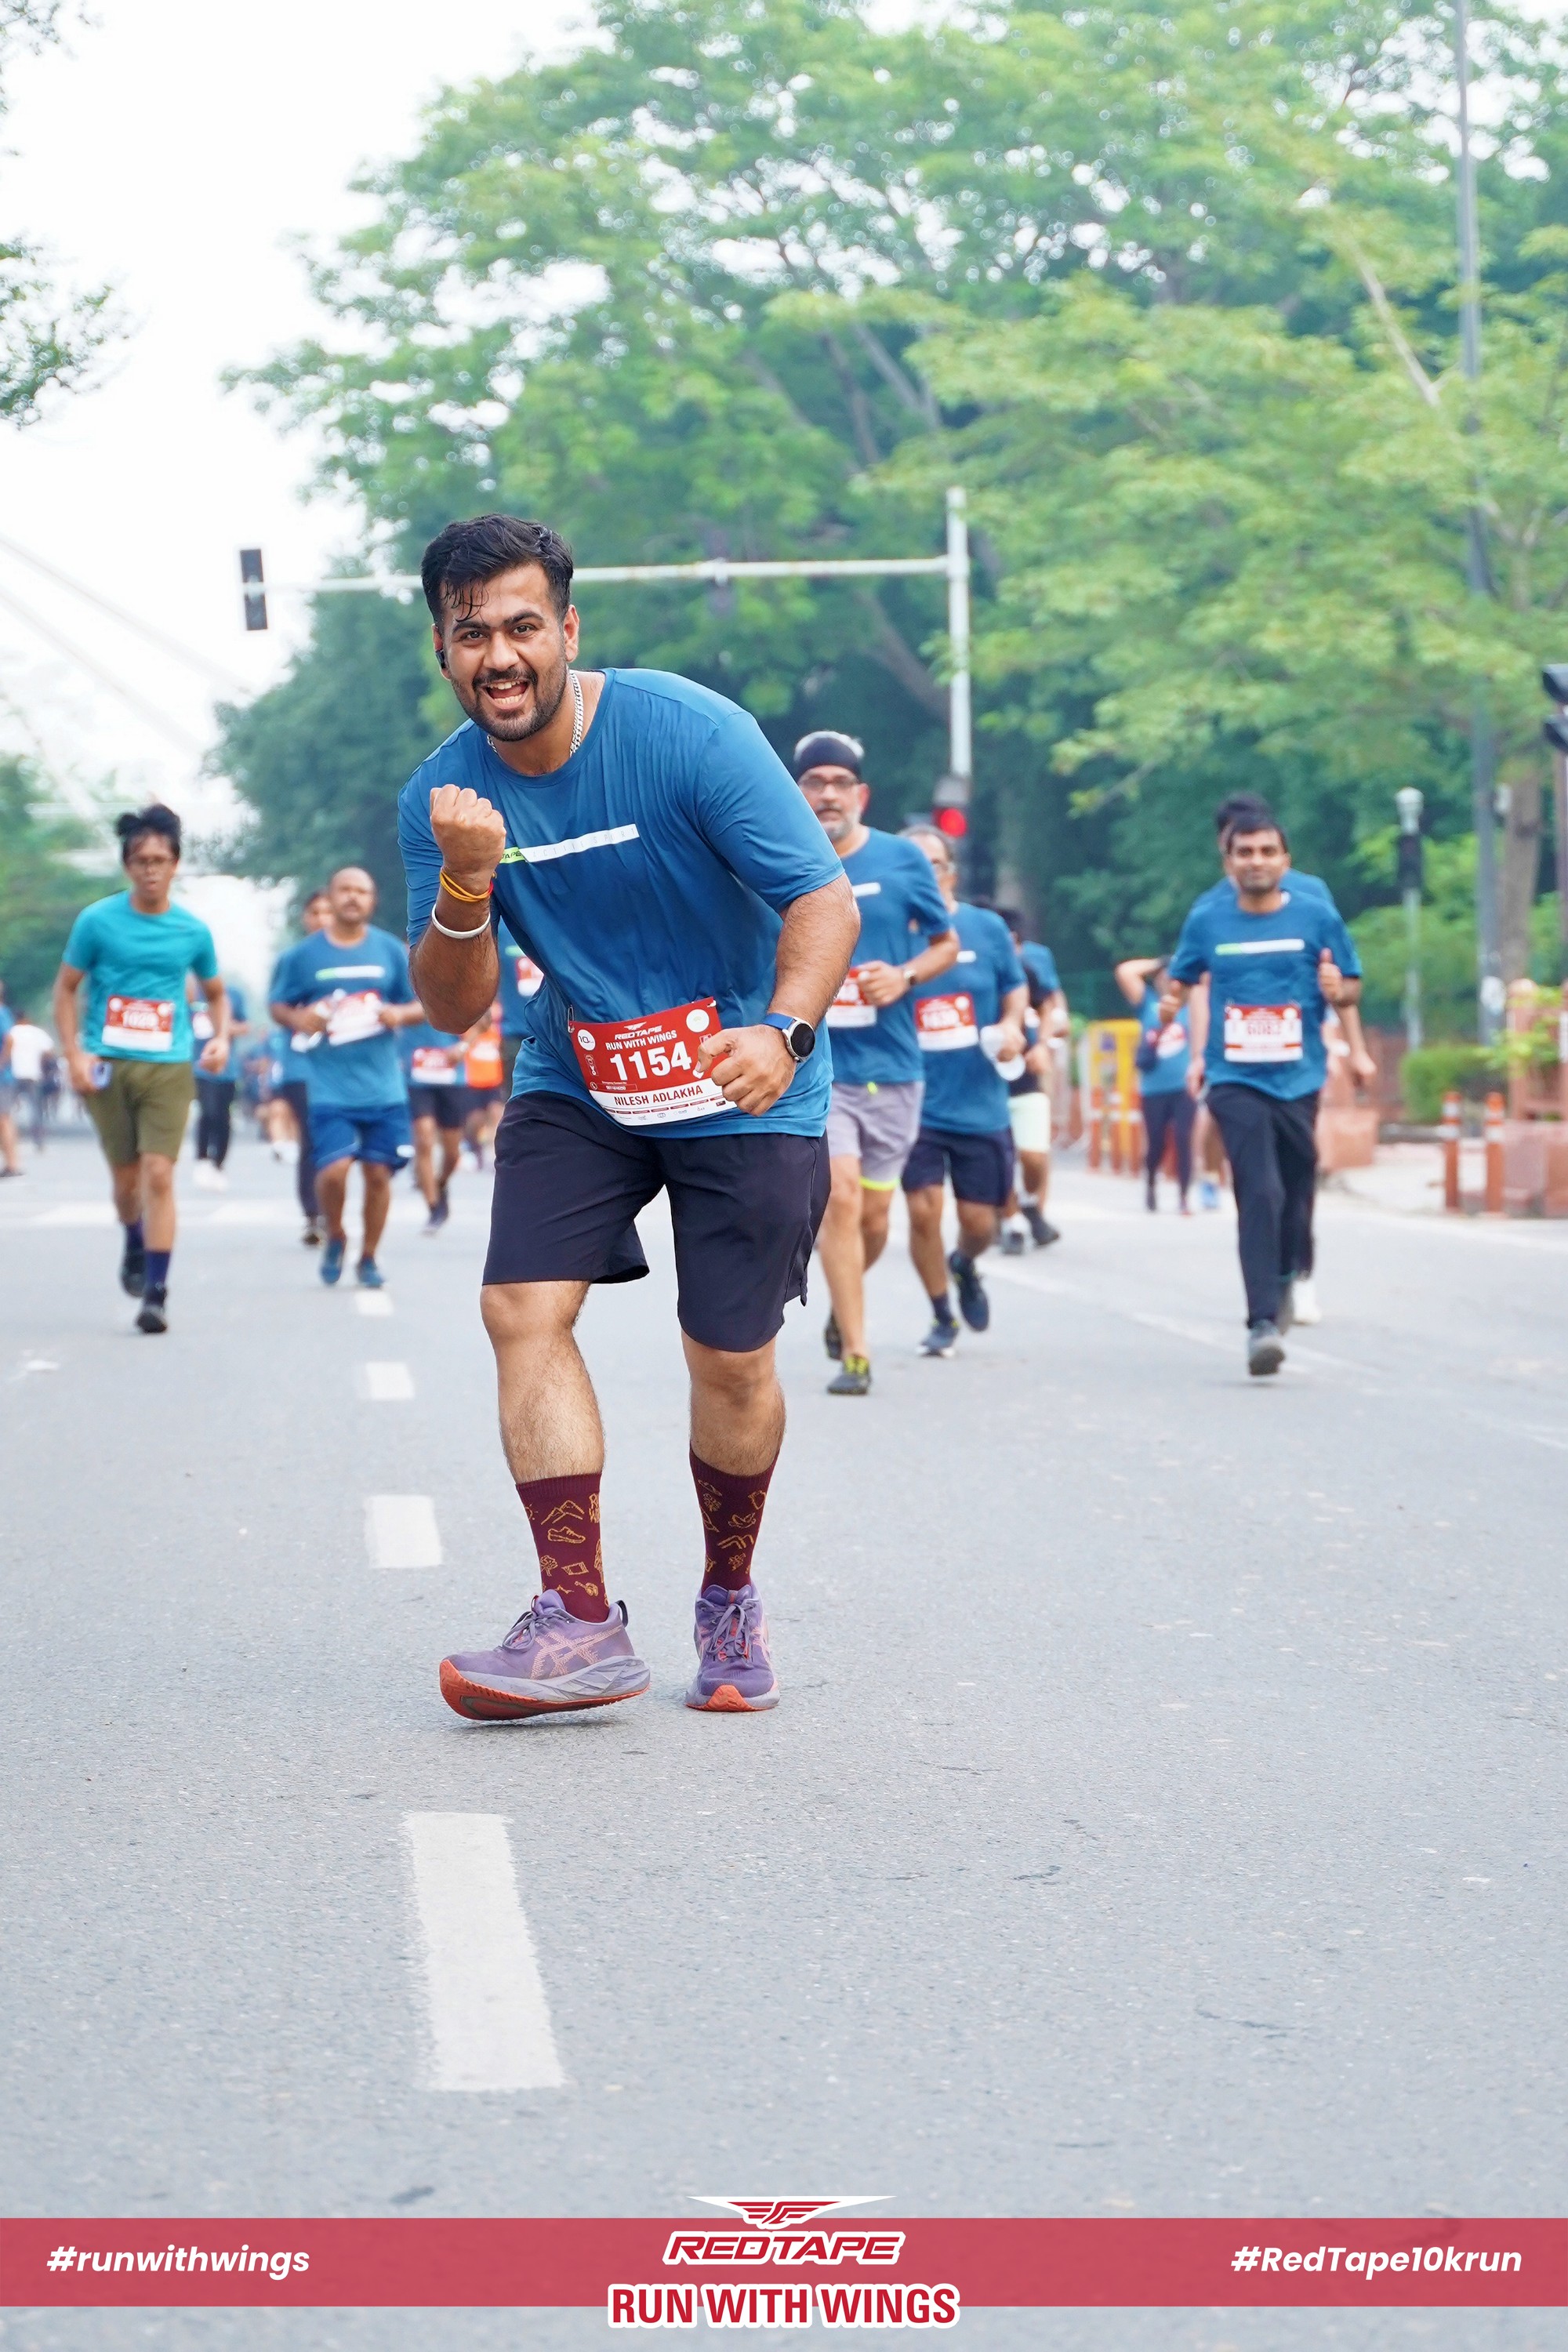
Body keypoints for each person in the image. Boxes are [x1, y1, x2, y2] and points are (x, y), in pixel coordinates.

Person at [399, 512, 856, 1719]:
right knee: (519, 1308)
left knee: (732, 1363)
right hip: (581, 1077)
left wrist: (784, 1031)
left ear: (568, 629)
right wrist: (466, 878)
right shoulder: (441, 798)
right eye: (471, 634)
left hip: (743, 1076)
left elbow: (822, 898)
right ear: (443, 650)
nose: (500, 656)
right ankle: (579, 1618)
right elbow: (452, 1006)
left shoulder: (688, 734)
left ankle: (728, 1593)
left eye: (523, 627)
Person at [1163, 815, 1361, 1377]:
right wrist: (1171, 1003)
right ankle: (1261, 1324)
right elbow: (1183, 976)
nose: (1256, 861)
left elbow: (1351, 986)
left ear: (1285, 860)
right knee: (1260, 1191)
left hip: (1299, 1077)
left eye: (1267, 851)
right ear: (1229, 863)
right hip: (1235, 1077)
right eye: (1245, 852)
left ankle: (1287, 1274)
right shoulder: (1207, 920)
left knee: (1298, 1189)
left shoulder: (1316, 916)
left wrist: (1338, 989)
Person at [793, 731, 957, 1396]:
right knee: (842, 1197)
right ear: (797, 791)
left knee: (875, 1221)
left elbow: (945, 943)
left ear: (861, 794)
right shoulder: (775, 852)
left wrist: (906, 976)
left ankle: (844, 1304)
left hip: (893, 1067)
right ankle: (857, 1356)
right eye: (815, 782)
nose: (828, 794)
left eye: (840, 783)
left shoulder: (901, 859)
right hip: (819, 1065)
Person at [53, 804, 230, 1334]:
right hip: (107, 1063)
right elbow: (66, 989)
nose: (151, 869)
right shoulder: (97, 921)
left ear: (175, 864)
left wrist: (220, 1038)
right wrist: (74, 1055)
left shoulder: (192, 930)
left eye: (160, 860)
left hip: (168, 1066)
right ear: (127, 866)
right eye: (140, 860)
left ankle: (156, 1293)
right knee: (126, 1181)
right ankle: (134, 1238)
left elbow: (216, 994)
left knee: (158, 1173)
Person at [900, 827, 1028, 1354]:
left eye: (932, 864)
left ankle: (965, 1263)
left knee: (980, 1224)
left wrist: (1012, 1026)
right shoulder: (884, 931)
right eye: (910, 864)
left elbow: (1014, 989)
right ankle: (940, 1315)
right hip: (913, 1099)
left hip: (979, 1102)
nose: (922, 874)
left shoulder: (986, 928)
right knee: (923, 1211)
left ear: (950, 874)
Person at [270, 867, 423, 1289]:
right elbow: (279, 1005)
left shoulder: (390, 951)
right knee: (334, 1170)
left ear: (373, 900)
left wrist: (398, 1014)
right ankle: (336, 1233)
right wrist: (301, 1018)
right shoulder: (304, 956)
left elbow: (423, 1004)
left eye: (362, 891)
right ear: (331, 897)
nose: (353, 897)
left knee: (377, 1175)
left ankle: (369, 1256)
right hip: (329, 1087)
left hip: (383, 1087)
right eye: (345, 890)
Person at [996, 908, 1065, 1252]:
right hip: (986, 1082)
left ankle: (1030, 1203)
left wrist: (1043, 1045)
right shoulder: (968, 972)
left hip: (1026, 1077)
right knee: (1000, 1157)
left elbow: (1048, 1007)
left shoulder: (1027, 972)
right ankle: (1012, 1223)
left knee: (1034, 1155)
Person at [267, 888, 331, 1243]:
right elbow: (276, 1006)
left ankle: (331, 1206)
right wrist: (300, 1017)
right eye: (315, 912)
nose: (322, 919)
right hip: (301, 1064)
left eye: (328, 912)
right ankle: (313, 1214)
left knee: (337, 1139)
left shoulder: (357, 955)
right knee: (312, 1137)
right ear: (306, 918)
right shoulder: (293, 960)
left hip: (343, 1065)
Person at [1115, 954, 1198, 1212]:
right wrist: (1159, 963)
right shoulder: (1148, 1004)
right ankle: (1151, 1182)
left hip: (1183, 1086)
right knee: (1156, 1143)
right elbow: (1125, 972)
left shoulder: (1192, 1008)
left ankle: (1184, 1196)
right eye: (1164, 977)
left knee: (1184, 1139)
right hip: (1154, 1088)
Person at [405, 1014, 466, 1230]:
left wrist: (464, 1046)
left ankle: (441, 1183)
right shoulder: (403, 991)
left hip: (450, 1074)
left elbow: (483, 1019)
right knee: (424, 1138)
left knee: (453, 1153)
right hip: (416, 1074)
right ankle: (434, 1209)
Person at [191, 975, 250, 1187]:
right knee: (208, 1112)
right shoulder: (192, 992)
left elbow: (245, 1026)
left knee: (223, 1117)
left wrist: (223, 1029)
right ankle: (202, 1158)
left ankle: (219, 1163)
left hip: (228, 1068)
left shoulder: (233, 994)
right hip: (200, 1066)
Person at [495, 920, 543, 1097]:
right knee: (518, 1102)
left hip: (560, 1035)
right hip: (515, 1036)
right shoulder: (500, 927)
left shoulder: (554, 921)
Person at [460, 1003, 505, 1168]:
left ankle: (496, 1154)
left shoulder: (498, 1021)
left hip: (493, 1080)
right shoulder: (468, 1025)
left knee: (497, 1114)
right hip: (473, 1080)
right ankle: (472, 1146)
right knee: (475, 1121)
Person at [5, 1011, 54, 1151]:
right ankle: (39, 1140)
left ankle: (10, 1138)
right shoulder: (36, 1032)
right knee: (36, 1109)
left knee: (8, 1110)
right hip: (33, 1074)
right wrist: (43, 1064)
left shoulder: (12, 1032)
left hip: (14, 1074)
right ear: (27, 1019)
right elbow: (49, 1051)